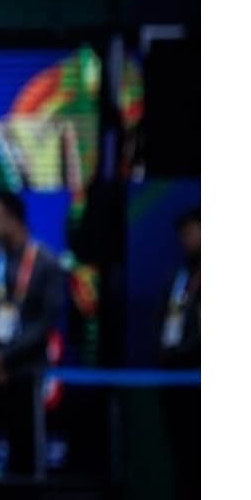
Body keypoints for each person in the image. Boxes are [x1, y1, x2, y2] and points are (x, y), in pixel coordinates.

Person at [0, 191, 65, 476]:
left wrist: (5, 358)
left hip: (23, 372)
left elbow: (46, 320)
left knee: (24, 454)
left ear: (14, 218)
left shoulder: (46, 263)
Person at [158, 207, 199, 497]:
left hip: (200, 377)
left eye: (192, 230)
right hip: (175, 378)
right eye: (182, 233)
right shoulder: (181, 276)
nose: (186, 238)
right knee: (182, 454)